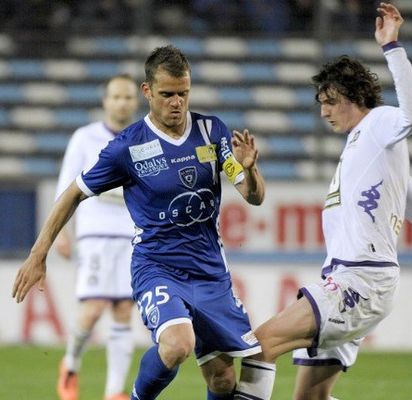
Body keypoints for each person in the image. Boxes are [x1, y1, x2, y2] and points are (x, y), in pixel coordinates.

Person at [232, 3, 412, 399]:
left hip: (360, 282)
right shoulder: (370, 151)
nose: (323, 112)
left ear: (354, 96)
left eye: (330, 101)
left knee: (261, 347)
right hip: (354, 282)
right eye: (320, 102)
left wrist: (392, 47)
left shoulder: (379, 122)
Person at [12, 45, 266, 400]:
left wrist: (250, 170)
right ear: (147, 92)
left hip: (209, 270)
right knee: (178, 343)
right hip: (157, 266)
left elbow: (253, 195)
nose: (177, 102)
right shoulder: (126, 147)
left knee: (222, 379)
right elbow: (72, 193)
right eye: (167, 94)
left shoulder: (212, 131)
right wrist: (39, 254)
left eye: (183, 93)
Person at [55, 74, 139, 400]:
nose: (122, 102)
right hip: (94, 233)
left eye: (128, 97)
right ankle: (71, 363)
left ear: (137, 100)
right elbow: (66, 186)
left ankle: (115, 391)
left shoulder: (143, 138)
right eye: (116, 96)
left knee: (122, 310)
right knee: (92, 309)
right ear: (105, 100)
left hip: (131, 234)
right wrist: (62, 231)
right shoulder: (84, 138)